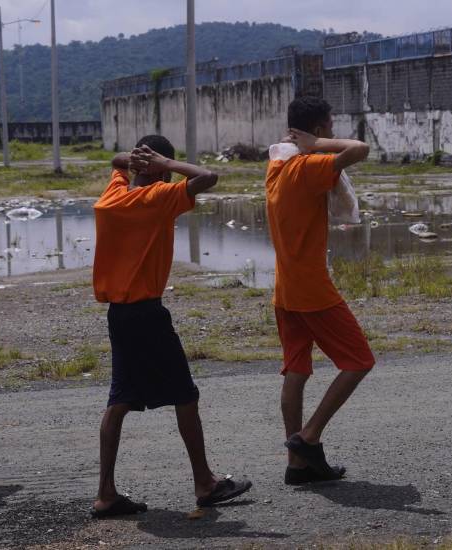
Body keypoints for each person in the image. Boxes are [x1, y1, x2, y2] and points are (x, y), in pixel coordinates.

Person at [90, 135, 252, 518]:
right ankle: (205, 483)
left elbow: (116, 162)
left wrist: (139, 160)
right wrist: (166, 164)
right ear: (160, 171)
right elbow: (208, 176)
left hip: (119, 315)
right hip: (147, 315)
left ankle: (106, 494)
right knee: (184, 394)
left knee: (120, 400)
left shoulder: (113, 195)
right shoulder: (157, 198)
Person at [265, 97, 375, 485]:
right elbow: (359, 149)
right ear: (317, 129)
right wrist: (317, 144)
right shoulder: (305, 167)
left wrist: (308, 143)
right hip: (311, 288)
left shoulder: (277, 165)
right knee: (359, 361)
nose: (332, 131)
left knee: (296, 370)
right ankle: (308, 438)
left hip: (285, 288)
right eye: (329, 126)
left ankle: (297, 466)